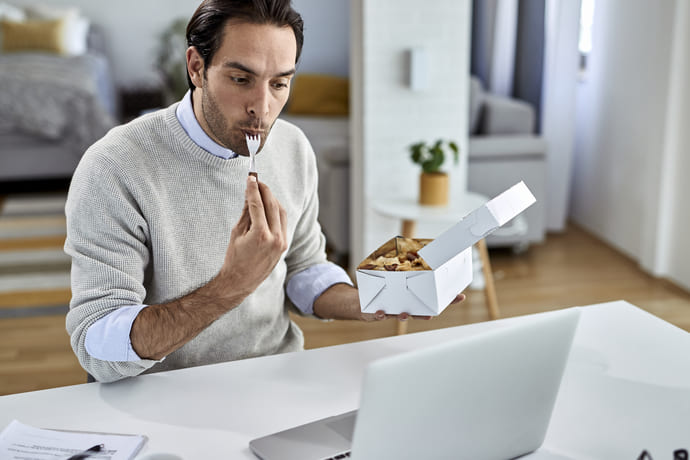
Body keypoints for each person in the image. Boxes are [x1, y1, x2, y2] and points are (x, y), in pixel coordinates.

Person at [65, 0, 464, 383]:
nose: (263, 107)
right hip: (160, 395)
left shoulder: (292, 146)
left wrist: (374, 300)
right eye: (241, 79)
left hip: (277, 379)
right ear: (196, 67)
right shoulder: (114, 167)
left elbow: (305, 268)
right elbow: (98, 348)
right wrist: (233, 283)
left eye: (279, 84)